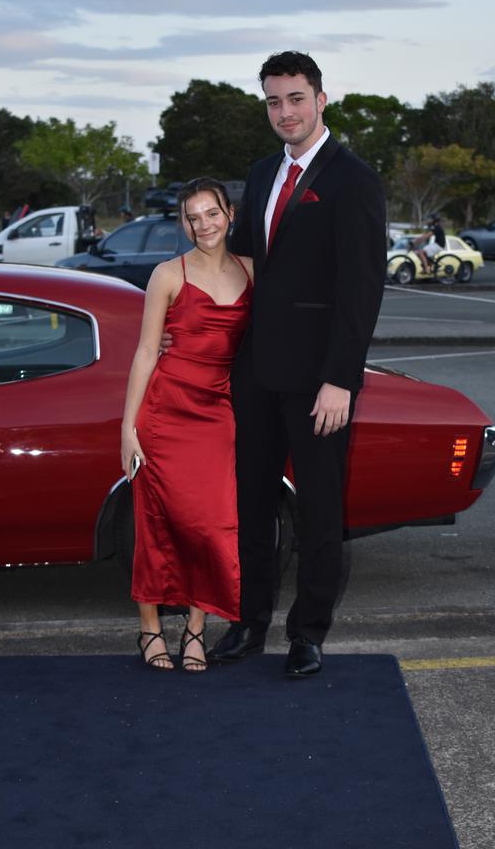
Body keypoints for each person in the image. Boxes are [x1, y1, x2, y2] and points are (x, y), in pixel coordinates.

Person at [208, 51, 387, 678]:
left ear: (320, 99)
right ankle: (249, 622)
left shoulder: (352, 179)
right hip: (256, 371)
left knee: (318, 510)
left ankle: (308, 632)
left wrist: (341, 378)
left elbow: (362, 289)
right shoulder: (260, 175)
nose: (284, 112)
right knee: (252, 503)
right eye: (273, 101)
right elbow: (249, 264)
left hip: (320, 381)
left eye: (295, 99)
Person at [121, 179, 253, 673]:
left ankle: (196, 631)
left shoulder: (252, 272)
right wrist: (127, 428)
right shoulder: (167, 275)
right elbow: (145, 352)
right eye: (193, 218)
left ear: (230, 213)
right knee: (156, 524)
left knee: (208, 528)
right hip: (164, 412)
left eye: (212, 214)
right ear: (183, 223)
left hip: (217, 415)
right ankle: (150, 630)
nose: (204, 225)